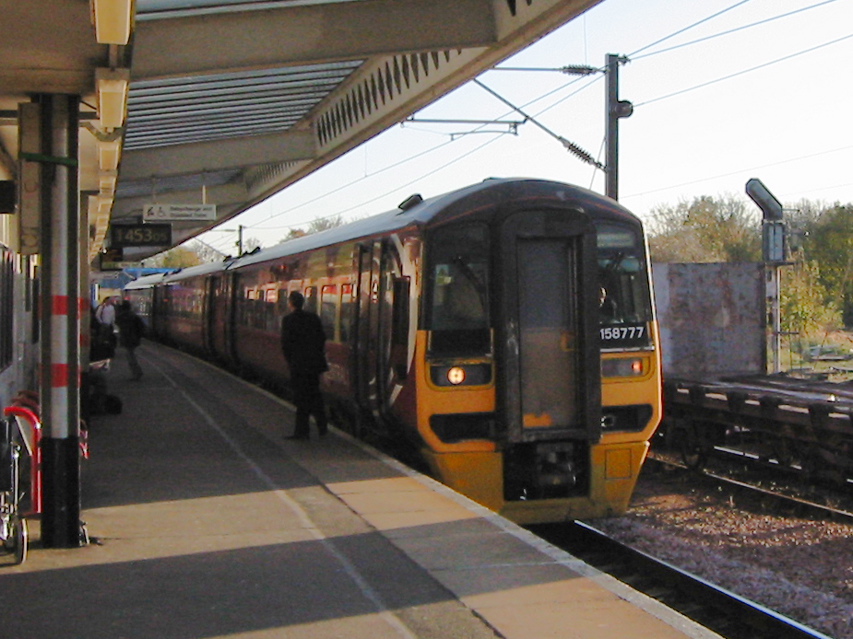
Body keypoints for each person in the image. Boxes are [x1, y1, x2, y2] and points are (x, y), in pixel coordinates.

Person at [280, 291, 328, 440]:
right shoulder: (314, 318)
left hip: (298, 365)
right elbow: (322, 338)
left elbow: (286, 344)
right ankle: (322, 426)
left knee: (301, 399)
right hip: (314, 365)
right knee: (315, 395)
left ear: (291, 303)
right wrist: (316, 356)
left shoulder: (288, 320)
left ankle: (302, 431)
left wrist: (291, 361)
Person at [115, 300, 145, 380]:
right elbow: (141, 327)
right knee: (131, 355)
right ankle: (137, 372)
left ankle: (137, 373)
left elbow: (117, 321)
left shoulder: (121, 316)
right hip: (134, 338)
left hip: (127, 338)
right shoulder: (134, 316)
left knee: (130, 356)